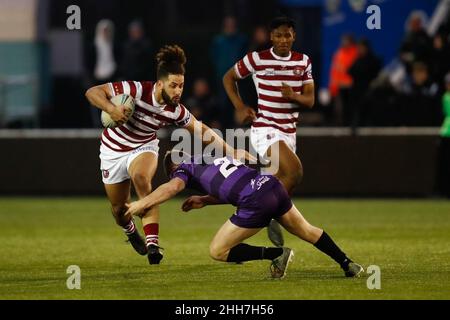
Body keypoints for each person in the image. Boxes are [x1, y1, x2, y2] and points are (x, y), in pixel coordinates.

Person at [85, 45, 242, 265]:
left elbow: (201, 130)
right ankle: (130, 231)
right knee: (119, 210)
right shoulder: (135, 90)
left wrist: (231, 150)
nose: (179, 91)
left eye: (182, 86)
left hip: (143, 147)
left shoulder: (175, 110)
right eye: (174, 86)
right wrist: (111, 109)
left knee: (141, 178)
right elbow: (92, 92)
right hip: (112, 150)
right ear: (160, 84)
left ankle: (152, 244)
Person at [124, 150, 364, 279]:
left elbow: (171, 188)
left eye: (173, 173)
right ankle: (347, 263)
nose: (177, 179)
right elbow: (230, 186)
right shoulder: (212, 158)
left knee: (217, 250)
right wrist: (206, 200)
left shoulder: (185, 168)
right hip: (271, 185)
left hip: (255, 201)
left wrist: (141, 203)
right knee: (307, 231)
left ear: (175, 167)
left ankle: (277, 254)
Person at [223, 16, 315, 248]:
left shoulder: (303, 62)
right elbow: (228, 77)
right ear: (271, 36)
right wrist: (240, 106)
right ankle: (270, 215)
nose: (283, 39)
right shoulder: (257, 59)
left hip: (288, 132)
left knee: (275, 184)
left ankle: (260, 213)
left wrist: (293, 96)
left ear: (294, 36)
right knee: (294, 171)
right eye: (278, 35)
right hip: (265, 128)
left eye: (287, 35)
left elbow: (310, 100)